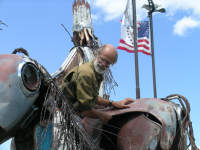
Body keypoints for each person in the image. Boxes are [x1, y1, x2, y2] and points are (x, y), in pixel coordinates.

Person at [61, 44, 135, 123]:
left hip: (75, 110)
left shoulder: (97, 73)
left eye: (108, 63)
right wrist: (101, 115)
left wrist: (112, 103)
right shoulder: (86, 73)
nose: (104, 64)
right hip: (62, 111)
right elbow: (85, 110)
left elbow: (94, 97)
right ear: (96, 54)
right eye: (102, 59)